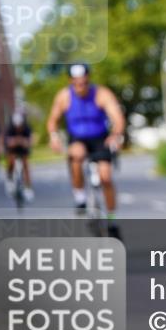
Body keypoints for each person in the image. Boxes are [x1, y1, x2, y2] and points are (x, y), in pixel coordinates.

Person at [46, 63, 125, 236]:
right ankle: (80, 197)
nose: (80, 86)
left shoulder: (101, 94)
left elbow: (117, 118)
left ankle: (112, 219)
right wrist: (54, 137)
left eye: (83, 82)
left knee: (105, 177)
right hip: (78, 138)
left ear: (88, 79)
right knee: (76, 154)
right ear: (71, 81)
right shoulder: (64, 97)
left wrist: (116, 135)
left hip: (99, 138)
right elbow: (53, 120)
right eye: (76, 83)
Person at [3, 110, 35, 201]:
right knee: (11, 160)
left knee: (26, 165)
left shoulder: (26, 128)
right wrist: (18, 141)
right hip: (12, 149)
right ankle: (9, 178)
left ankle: (28, 188)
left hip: (23, 149)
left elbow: (30, 141)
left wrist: (22, 141)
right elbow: (7, 142)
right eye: (17, 126)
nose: (18, 128)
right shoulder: (9, 128)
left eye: (20, 126)